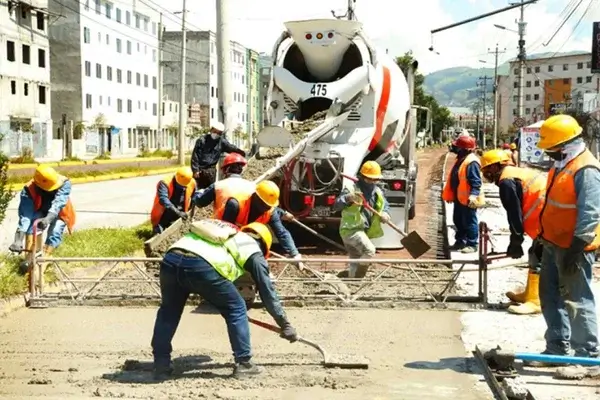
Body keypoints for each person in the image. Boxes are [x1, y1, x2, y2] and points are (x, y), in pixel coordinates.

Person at [150, 219, 297, 379]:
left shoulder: (226, 232)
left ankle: (161, 364)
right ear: (264, 244)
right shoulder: (253, 250)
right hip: (201, 266)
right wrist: (284, 323)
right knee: (236, 308)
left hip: (171, 260)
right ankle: (244, 364)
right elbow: (267, 291)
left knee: (169, 311)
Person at [526, 114, 600, 366]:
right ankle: (556, 349)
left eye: (551, 148)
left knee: (577, 300)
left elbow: (590, 214)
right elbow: (552, 205)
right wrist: (540, 240)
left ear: (565, 144)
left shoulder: (586, 169)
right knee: (550, 296)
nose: (548, 153)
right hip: (552, 243)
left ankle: (587, 358)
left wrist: (576, 250)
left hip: (574, 247)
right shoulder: (562, 164)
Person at [480, 149, 545, 315]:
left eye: (486, 169)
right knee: (534, 253)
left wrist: (516, 242)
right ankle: (530, 293)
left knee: (538, 257)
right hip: (545, 216)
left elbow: (514, 214)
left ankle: (535, 301)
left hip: (546, 219)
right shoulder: (514, 173)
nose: (486, 174)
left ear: (495, 167)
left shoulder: (506, 182)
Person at [194, 179, 302, 261]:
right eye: (264, 205)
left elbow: (282, 233)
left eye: (269, 206)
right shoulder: (235, 204)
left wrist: (295, 254)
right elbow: (225, 235)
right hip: (220, 229)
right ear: (255, 197)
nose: (266, 208)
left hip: (240, 233)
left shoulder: (270, 211)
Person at [333, 161, 391, 279]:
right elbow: (336, 206)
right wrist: (347, 198)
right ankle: (360, 275)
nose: (372, 182)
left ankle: (352, 279)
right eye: (369, 179)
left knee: (356, 258)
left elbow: (385, 205)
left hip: (364, 231)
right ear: (362, 177)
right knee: (370, 251)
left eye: (375, 179)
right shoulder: (351, 189)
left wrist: (385, 213)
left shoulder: (377, 192)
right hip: (351, 230)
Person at [8, 165, 76, 257]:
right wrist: (18, 240)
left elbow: (58, 204)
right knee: (32, 228)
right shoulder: (28, 190)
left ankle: (46, 257)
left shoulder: (64, 183)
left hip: (60, 212)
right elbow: (26, 217)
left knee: (55, 231)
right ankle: (31, 257)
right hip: (40, 209)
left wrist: (47, 219)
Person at [442, 135, 485, 253]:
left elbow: (476, 182)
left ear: (464, 149)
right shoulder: (461, 159)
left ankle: (472, 244)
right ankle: (460, 241)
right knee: (458, 220)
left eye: (457, 147)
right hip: (459, 197)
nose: (455, 148)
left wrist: (473, 196)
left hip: (468, 199)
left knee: (470, 221)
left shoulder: (472, 162)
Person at [191, 122, 246, 189]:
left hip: (211, 171)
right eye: (215, 131)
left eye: (219, 133)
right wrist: (195, 170)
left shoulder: (221, 142)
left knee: (210, 191)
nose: (216, 134)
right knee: (198, 190)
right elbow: (195, 156)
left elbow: (231, 148)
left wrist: (242, 153)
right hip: (200, 170)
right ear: (211, 130)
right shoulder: (202, 140)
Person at [150, 167, 197, 235]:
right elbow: (163, 199)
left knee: (176, 232)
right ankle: (158, 230)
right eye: (180, 186)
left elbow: (194, 197)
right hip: (164, 212)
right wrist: (177, 212)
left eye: (183, 187)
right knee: (159, 232)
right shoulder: (164, 182)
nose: (182, 188)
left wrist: (190, 211)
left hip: (180, 210)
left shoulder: (191, 182)